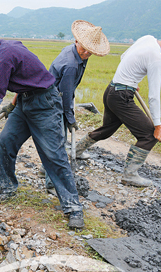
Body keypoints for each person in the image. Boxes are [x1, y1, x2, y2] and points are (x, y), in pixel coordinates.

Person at [0, 19, 85, 229]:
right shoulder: (10, 46)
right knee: (5, 141)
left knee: (53, 155)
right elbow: (25, 76)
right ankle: (8, 187)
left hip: (45, 104)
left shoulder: (3, 57)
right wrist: (13, 104)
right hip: (24, 102)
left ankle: (73, 207)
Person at [75, 34, 161, 187]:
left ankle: (75, 151)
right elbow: (154, 96)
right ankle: (130, 175)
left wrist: (131, 80)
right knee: (149, 135)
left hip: (112, 90)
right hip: (121, 96)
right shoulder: (157, 58)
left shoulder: (148, 38)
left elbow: (124, 57)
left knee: (107, 129)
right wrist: (158, 126)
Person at [43, 20, 110, 193]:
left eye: (91, 51)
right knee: (58, 142)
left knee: (55, 141)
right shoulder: (71, 64)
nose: (87, 52)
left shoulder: (76, 53)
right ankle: (52, 183)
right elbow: (64, 96)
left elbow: (68, 91)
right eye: (84, 48)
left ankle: (46, 169)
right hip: (52, 102)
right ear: (76, 41)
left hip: (56, 97)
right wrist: (70, 119)